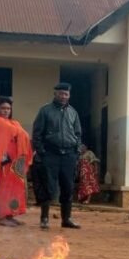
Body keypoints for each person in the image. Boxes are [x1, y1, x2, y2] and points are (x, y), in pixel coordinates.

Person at [32, 82, 82, 230]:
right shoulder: (45, 111)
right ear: (55, 94)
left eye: (66, 94)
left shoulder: (73, 112)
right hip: (50, 154)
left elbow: (78, 134)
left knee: (68, 187)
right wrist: (41, 152)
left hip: (69, 155)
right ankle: (45, 218)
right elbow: (37, 133)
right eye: (60, 93)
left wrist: (77, 150)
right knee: (48, 187)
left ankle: (66, 219)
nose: (63, 96)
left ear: (69, 95)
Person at [0, 96, 33, 227]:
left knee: (15, 189)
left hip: (15, 162)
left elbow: (22, 134)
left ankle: (11, 215)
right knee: (5, 189)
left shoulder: (13, 122)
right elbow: (4, 140)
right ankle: (3, 217)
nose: (6, 111)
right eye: (3, 108)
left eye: (8, 108)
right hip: (5, 162)